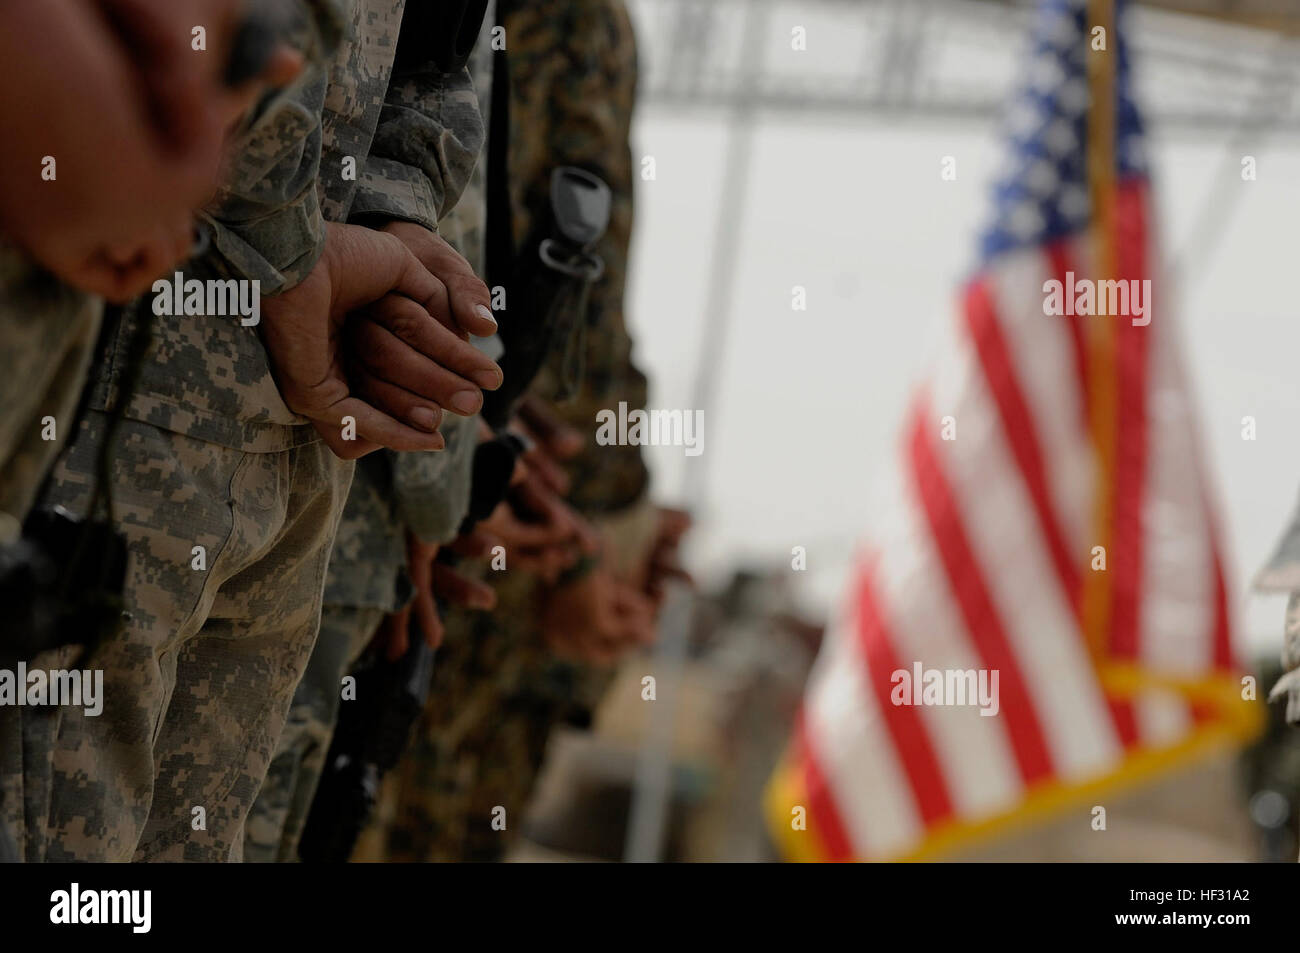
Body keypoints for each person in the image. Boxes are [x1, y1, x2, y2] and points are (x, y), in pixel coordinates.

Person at [1, 0, 501, 862]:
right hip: (136, 358)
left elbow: (437, 41)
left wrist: (388, 215)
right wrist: (289, 240)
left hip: (285, 421)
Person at [366, 0, 675, 863]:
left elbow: (589, 313)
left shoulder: (594, 23)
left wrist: (627, 507)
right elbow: (415, 252)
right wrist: (499, 471)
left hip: (527, 557)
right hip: (445, 527)